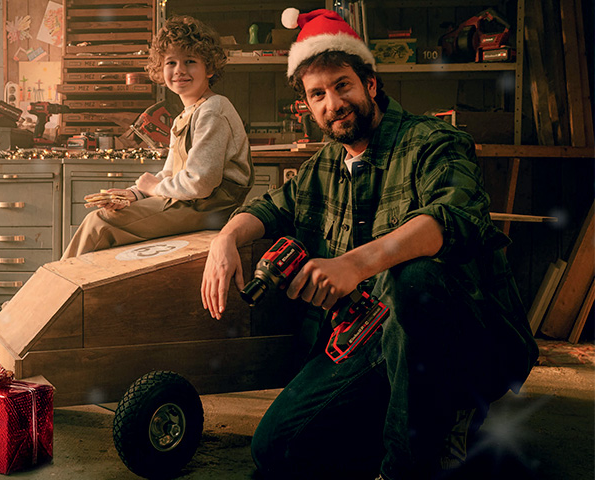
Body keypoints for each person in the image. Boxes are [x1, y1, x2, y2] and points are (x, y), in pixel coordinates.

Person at [199, 9, 538, 480]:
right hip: (372, 339)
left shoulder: (434, 141)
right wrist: (226, 238)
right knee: (276, 450)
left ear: (370, 84)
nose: (332, 103)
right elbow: (273, 207)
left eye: (342, 86)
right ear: (307, 105)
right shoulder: (324, 166)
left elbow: (454, 217)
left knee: (415, 277)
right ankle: (404, 420)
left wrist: (354, 264)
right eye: (317, 95)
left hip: (461, 335)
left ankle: (421, 451)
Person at [61, 16, 252, 259]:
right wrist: (134, 194)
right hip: (192, 203)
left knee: (101, 223)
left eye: (190, 61)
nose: (179, 70)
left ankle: (49, 297)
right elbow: (170, 174)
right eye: (171, 62)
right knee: (104, 217)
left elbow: (201, 183)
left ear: (210, 68)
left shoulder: (213, 109)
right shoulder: (185, 115)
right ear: (160, 70)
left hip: (212, 207)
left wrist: (153, 188)